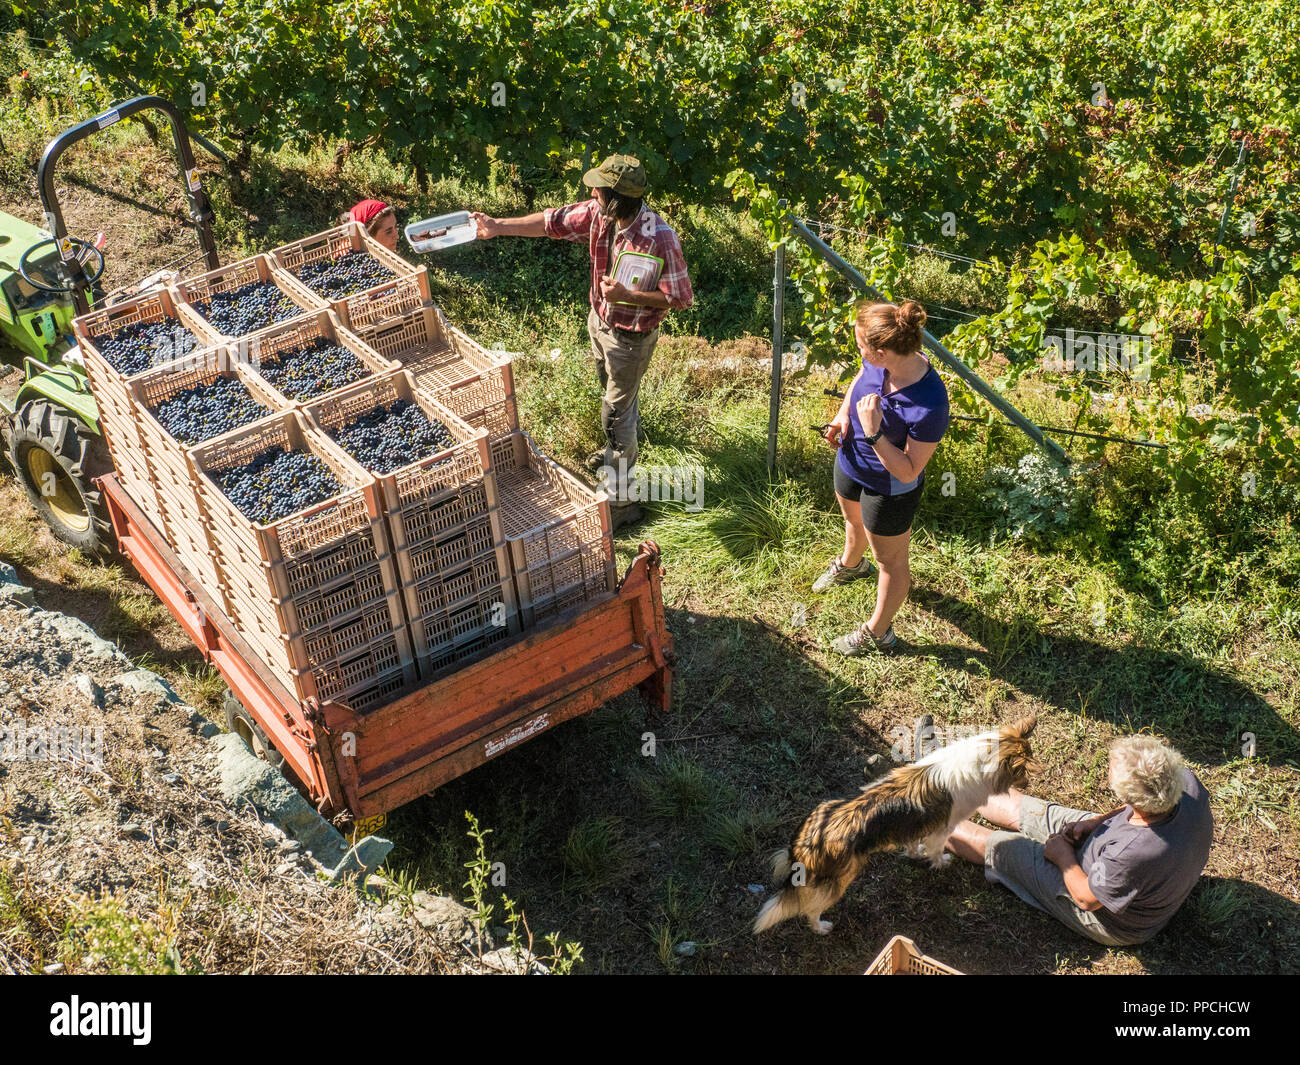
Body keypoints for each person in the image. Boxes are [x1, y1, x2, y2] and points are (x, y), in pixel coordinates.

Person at [470, 155, 694, 530]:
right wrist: (495, 226)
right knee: (612, 400)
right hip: (599, 324)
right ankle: (613, 455)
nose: (592, 192)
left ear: (619, 198)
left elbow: (680, 297)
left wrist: (630, 296)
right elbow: (548, 222)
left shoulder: (660, 238)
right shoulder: (597, 213)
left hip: (631, 341)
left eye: (599, 189)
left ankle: (623, 503)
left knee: (617, 416)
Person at [945, 735, 1214, 946]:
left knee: (1003, 846)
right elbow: (1136, 809)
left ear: (1132, 798)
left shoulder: (1135, 853)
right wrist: (1096, 822)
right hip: (1109, 847)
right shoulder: (1184, 784)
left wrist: (1063, 857)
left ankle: (918, 815)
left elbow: (1087, 899)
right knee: (1025, 810)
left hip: (1105, 915)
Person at [817, 300, 949, 654]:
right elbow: (859, 381)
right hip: (850, 462)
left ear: (883, 351)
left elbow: (909, 469)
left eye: (861, 347)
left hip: (889, 487)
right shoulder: (875, 363)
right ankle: (850, 564)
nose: (858, 351)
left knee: (890, 561)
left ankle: (878, 633)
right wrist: (842, 417)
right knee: (852, 520)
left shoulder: (930, 403)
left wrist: (874, 433)